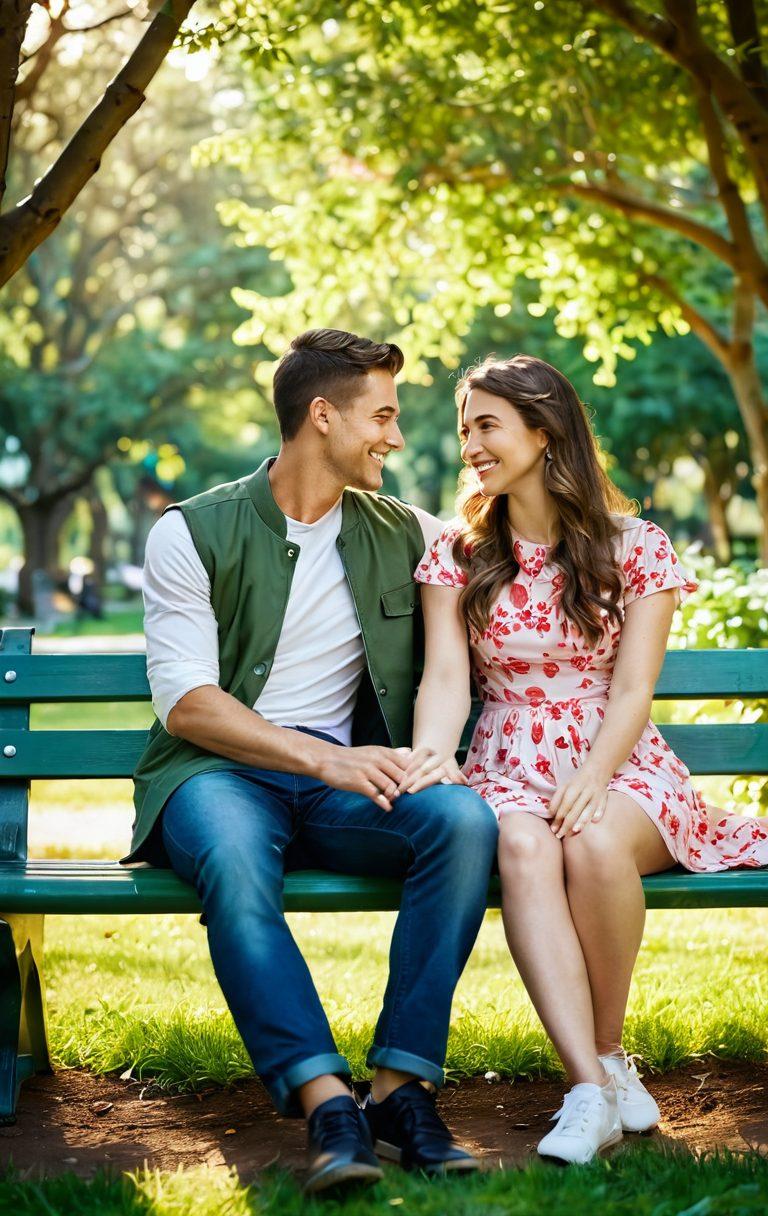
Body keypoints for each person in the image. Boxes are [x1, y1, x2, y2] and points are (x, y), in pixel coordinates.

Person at [398, 353, 768, 1166]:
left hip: (618, 761)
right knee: (524, 844)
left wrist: (593, 776)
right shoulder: (457, 554)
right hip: (505, 762)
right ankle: (591, 1090)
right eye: (465, 430)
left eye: (486, 426)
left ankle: (607, 1051)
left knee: (592, 840)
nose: (471, 446)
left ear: (543, 429)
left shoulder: (636, 545)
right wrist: (433, 757)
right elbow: (447, 681)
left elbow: (634, 690)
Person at [128, 329, 498, 1195]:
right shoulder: (190, 533)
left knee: (461, 820)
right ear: (321, 416)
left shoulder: (407, 530)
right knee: (231, 858)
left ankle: (402, 1093)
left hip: (343, 779)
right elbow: (187, 703)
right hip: (212, 775)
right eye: (382, 416)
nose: (396, 438)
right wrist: (323, 762)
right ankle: (327, 1101)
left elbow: (528, 543)